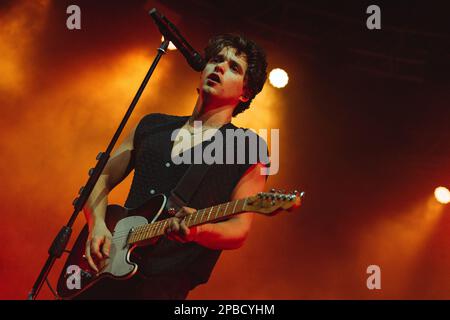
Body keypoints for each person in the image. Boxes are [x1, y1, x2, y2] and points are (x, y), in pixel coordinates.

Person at [80, 33, 270, 299]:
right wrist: (97, 225)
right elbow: (100, 177)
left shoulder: (247, 146)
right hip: (101, 270)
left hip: (162, 285)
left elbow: (239, 229)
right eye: (216, 60)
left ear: (246, 92)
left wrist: (198, 231)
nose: (219, 68)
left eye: (233, 68)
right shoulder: (152, 125)